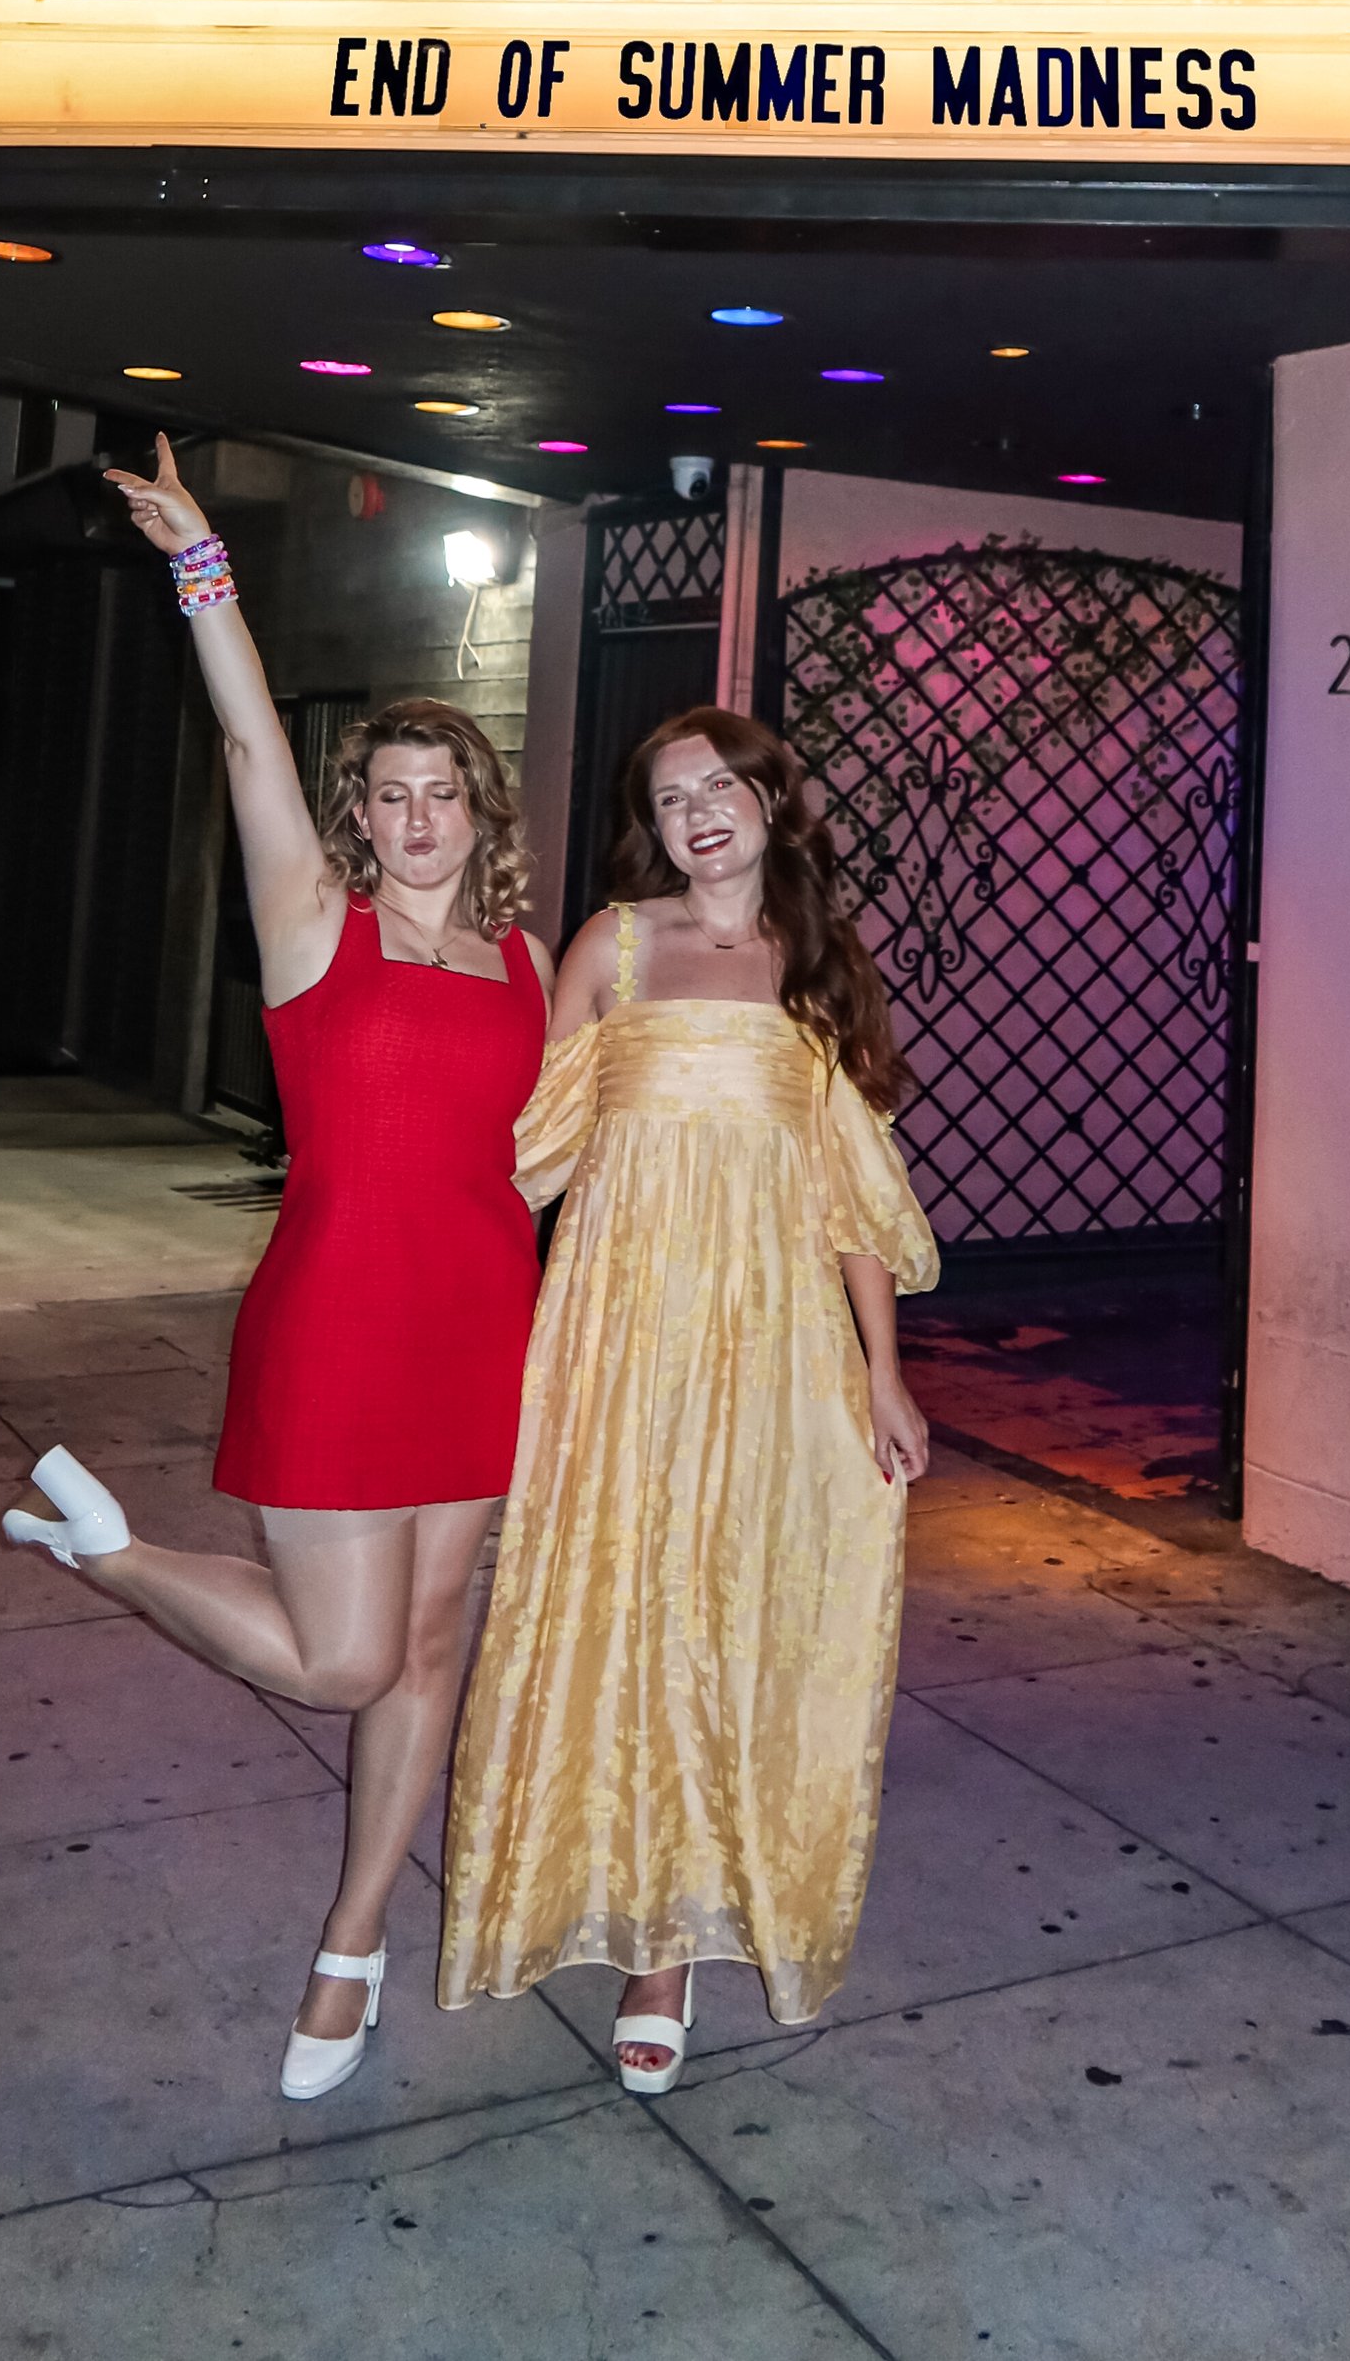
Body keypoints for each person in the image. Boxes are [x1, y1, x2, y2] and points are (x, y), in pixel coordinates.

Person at [0, 434, 552, 2103]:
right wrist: (202, 564)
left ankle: (353, 1941)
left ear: (480, 809)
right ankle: (114, 1555)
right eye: (386, 792)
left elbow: (552, 1148)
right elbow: (245, 727)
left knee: (435, 1647)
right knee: (343, 1659)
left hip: (480, 1330)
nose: (416, 814)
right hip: (336, 1323)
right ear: (355, 817)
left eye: (441, 790)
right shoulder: (317, 922)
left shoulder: (529, 958)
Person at [439, 703, 935, 2092]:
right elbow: (523, 1147)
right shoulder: (616, 944)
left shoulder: (819, 967)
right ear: (648, 827)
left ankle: (693, 1932)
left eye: (720, 784)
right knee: (621, 1604)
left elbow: (852, 1193)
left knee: (740, 1613)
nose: (697, 810)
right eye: (669, 797)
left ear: (774, 799)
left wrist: (884, 1375)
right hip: (617, 1334)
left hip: (773, 1345)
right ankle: (631, 1920)